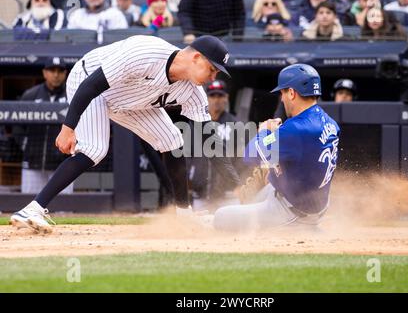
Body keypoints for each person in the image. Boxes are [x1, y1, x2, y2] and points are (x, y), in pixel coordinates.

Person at [10, 35, 240, 233]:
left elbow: (211, 142)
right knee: (95, 149)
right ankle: (32, 210)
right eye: (212, 69)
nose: (213, 78)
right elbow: (91, 86)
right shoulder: (146, 53)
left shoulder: (193, 93)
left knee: (173, 140)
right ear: (196, 57)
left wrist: (236, 183)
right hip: (89, 81)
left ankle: (183, 213)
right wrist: (68, 127)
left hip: (130, 101)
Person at [213, 64, 340, 232]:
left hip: (289, 212)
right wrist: (275, 169)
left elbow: (250, 155)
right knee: (245, 202)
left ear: (292, 93)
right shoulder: (330, 123)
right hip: (309, 203)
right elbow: (303, 161)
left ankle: (302, 229)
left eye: (283, 93)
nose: (282, 98)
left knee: (221, 216)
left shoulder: (296, 128)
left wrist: (264, 130)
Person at [16, 57, 73, 194]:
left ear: (65, 73)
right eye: (52, 70)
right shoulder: (31, 95)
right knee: (30, 205)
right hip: (32, 163)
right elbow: (17, 125)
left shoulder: (72, 95)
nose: (56, 74)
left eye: (60, 71)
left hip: (63, 164)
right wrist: (25, 146)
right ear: (44, 73)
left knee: (63, 209)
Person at [189, 80, 242, 208]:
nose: (216, 100)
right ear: (206, 98)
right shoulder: (196, 123)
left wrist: (237, 183)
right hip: (200, 195)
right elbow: (186, 154)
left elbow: (241, 158)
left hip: (228, 196)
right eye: (212, 96)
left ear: (226, 98)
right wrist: (189, 180)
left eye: (220, 96)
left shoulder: (235, 124)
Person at [178, 0, 245, 44]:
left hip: (224, 36)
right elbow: (184, 12)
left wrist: (237, 40)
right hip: (198, 36)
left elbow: (239, 14)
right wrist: (188, 33)